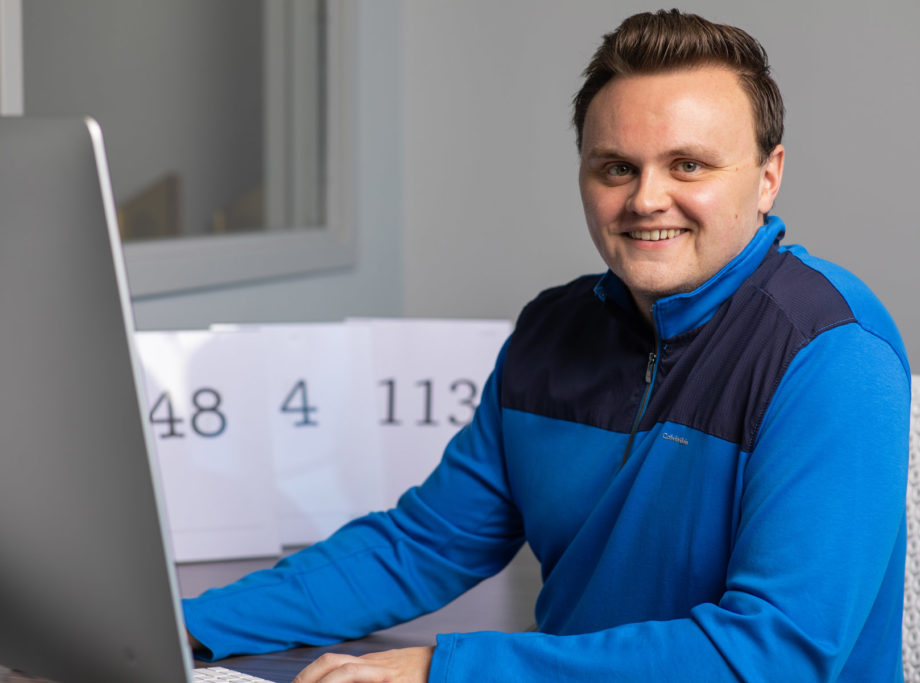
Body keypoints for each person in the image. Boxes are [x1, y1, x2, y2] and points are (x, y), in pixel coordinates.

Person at [184, 10, 911, 681]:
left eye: (688, 164)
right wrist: (182, 627)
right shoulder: (549, 333)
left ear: (767, 178)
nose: (646, 198)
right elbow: (422, 545)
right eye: (616, 167)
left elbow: (774, 654)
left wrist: (444, 670)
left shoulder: (833, 354)